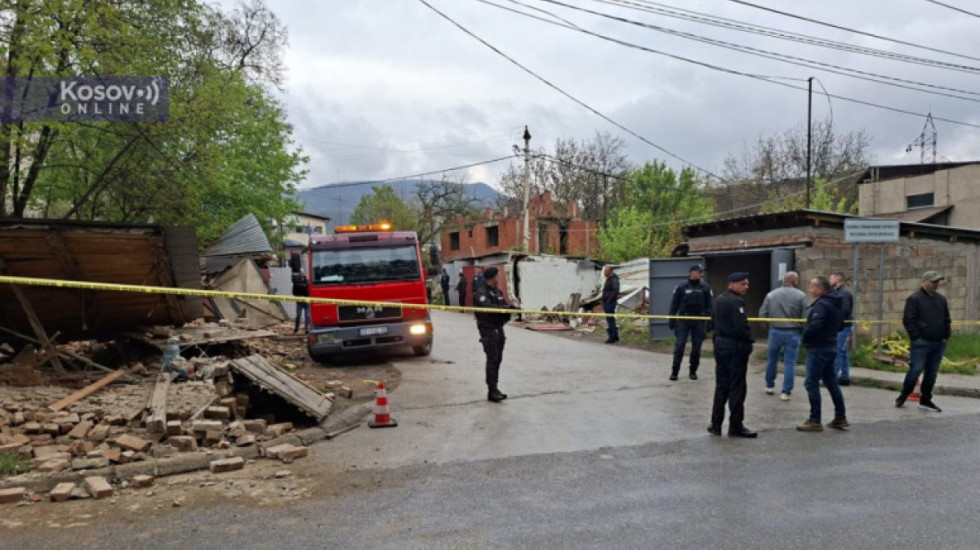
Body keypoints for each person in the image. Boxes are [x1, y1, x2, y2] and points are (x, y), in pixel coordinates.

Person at [709, 272, 757, 438]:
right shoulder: (736, 302)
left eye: (747, 283)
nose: (746, 287)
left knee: (721, 385)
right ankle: (736, 425)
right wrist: (749, 339)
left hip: (720, 345)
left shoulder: (719, 300)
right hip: (734, 348)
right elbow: (740, 327)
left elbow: (711, 323)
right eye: (743, 284)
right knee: (737, 387)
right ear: (733, 284)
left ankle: (716, 424)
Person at [797, 276, 848, 432]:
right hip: (831, 344)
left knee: (811, 382)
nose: (810, 290)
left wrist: (805, 337)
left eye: (812, 287)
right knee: (831, 382)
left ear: (820, 289)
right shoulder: (836, 303)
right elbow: (841, 325)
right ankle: (840, 416)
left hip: (818, 347)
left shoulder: (821, 305)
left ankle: (815, 419)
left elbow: (815, 326)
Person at [897, 270, 951, 412]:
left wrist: (946, 335)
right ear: (925, 282)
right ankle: (904, 394)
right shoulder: (915, 299)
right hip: (921, 343)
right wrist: (916, 337)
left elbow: (946, 319)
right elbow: (909, 320)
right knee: (916, 370)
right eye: (933, 281)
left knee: (932, 373)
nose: (936, 284)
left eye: (937, 282)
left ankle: (926, 399)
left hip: (938, 342)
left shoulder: (941, 299)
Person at [760, 271, 808, 401]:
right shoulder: (801, 295)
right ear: (795, 281)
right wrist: (803, 330)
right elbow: (805, 316)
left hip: (775, 331)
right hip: (793, 332)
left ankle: (769, 385)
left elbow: (762, 314)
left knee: (771, 360)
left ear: (783, 281)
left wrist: (767, 327)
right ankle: (786, 392)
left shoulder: (771, 295)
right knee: (790, 363)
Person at [474, 266, 520, 402]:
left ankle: (495, 388)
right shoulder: (481, 292)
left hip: (498, 328)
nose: (499, 278)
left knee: (498, 359)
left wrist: (511, 309)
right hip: (488, 329)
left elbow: (503, 306)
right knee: (492, 359)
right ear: (492, 277)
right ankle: (492, 391)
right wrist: (505, 308)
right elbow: (488, 308)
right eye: (497, 276)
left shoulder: (497, 291)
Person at [668, 264, 713, 380]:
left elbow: (710, 306)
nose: (701, 274)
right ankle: (675, 372)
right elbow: (674, 304)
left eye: (702, 272)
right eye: (699, 272)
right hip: (684, 319)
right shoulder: (681, 286)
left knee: (696, 347)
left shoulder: (705, 287)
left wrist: (709, 322)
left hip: (699, 320)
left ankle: (693, 371)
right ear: (692, 272)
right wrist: (672, 319)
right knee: (680, 346)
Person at [830, 271, 854, 386]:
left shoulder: (843, 294)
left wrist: (835, 322)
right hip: (843, 326)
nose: (830, 281)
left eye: (831, 278)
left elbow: (844, 310)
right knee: (843, 351)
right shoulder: (839, 292)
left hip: (842, 327)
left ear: (837, 280)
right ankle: (845, 376)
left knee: (837, 351)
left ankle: (832, 377)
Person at [601, 265, 620, 344]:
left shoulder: (614, 279)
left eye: (606, 271)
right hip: (607, 302)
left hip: (610, 303)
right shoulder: (609, 279)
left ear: (610, 271)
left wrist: (608, 300)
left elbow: (616, 291)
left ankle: (612, 337)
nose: (605, 272)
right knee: (610, 319)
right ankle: (615, 336)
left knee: (610, 320)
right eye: (604, 271)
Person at [292, 269, 311, 334]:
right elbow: (294, 292)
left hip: (306, 301)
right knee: (298, 315)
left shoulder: (307, 282)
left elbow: (310, 292)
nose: (302, 276)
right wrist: (299, 296)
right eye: (301, 275)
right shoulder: (296, 283)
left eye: (302, 275)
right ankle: (296, 329)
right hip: (299, 301)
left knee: (307, 316)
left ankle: (307, 329)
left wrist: (306, 296)